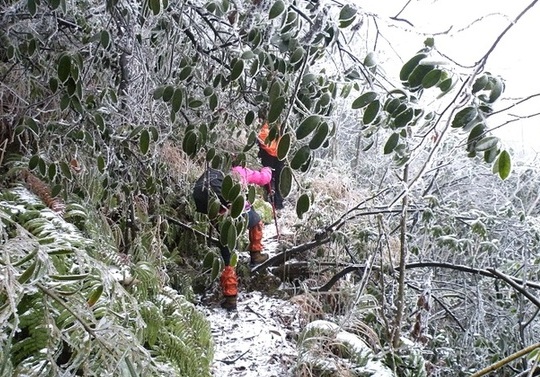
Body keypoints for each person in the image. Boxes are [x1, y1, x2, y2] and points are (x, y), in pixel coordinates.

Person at [192, 164, 272, 310]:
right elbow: (264, 179)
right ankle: (256, 253)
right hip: (238, 213)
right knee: (256, 220)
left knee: (227, 253)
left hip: (218, 215)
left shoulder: (214, 173)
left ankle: (230, 298)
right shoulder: (241, 171)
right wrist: (267, 169)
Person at [257, 120, 285, 210]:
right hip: (279, 153)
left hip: (271, 153)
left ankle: (271, 199)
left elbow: (261, 138)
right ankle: (276, 202)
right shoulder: (278, 123)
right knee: (278, 178)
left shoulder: (266, 124)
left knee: (269, 176)